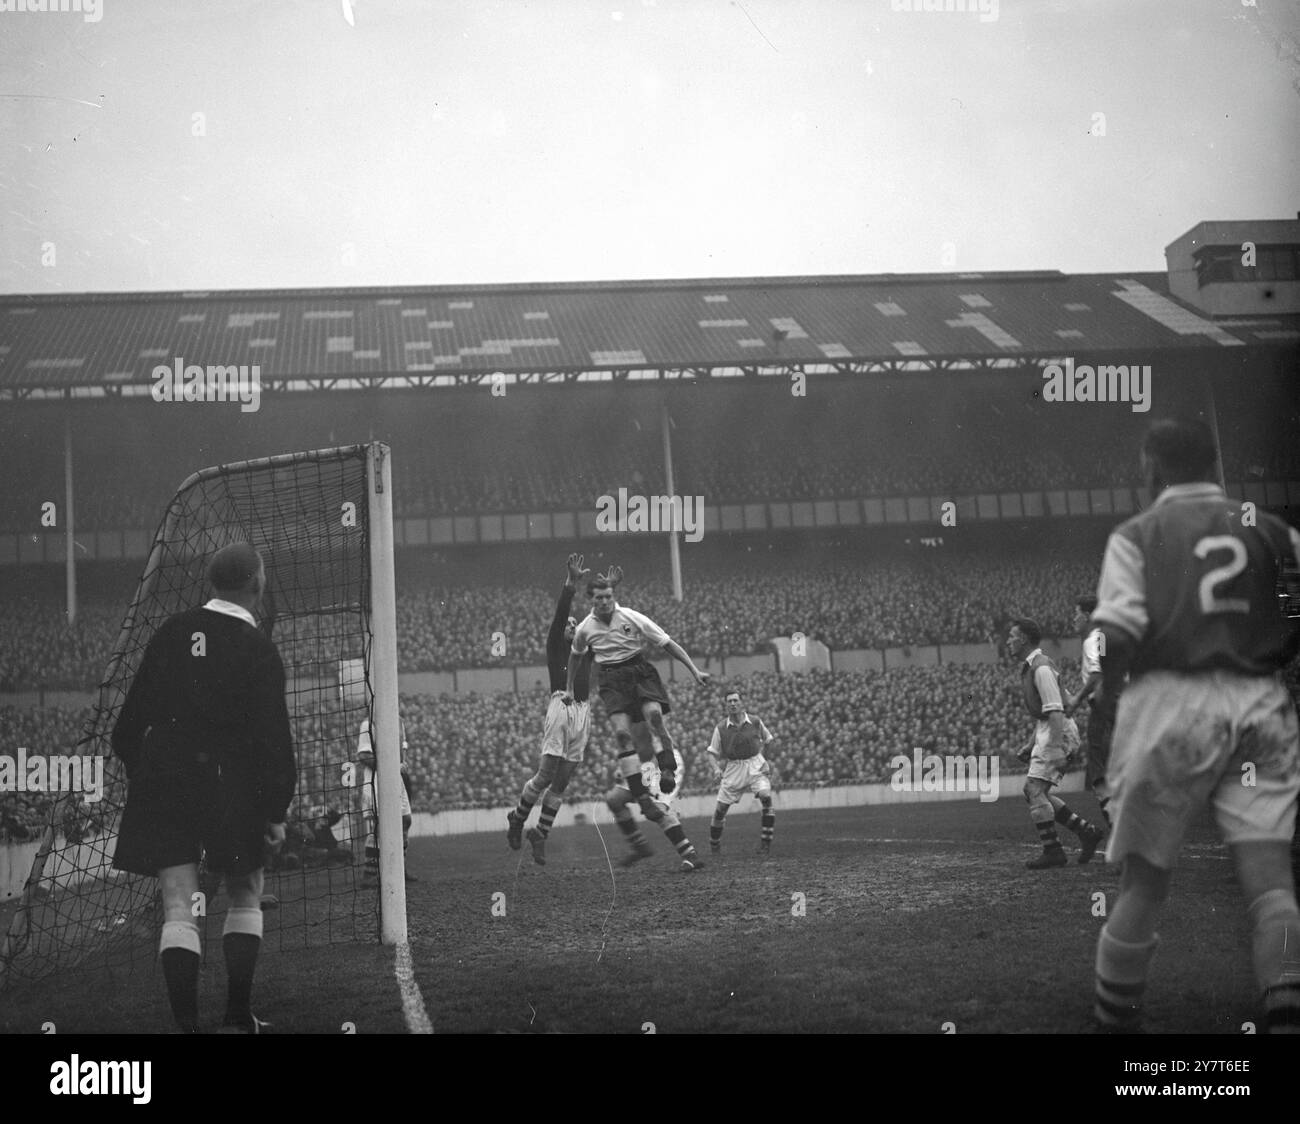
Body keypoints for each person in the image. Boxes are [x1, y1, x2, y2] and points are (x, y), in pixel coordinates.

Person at [1091, 418, 1300, 1034]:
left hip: (1169, 703)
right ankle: (1286, 1014)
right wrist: (1266, 658)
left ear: (1151, 466)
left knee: (1145, 885)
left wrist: (1107, 699)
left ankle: (1116, 1022)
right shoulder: (1274, 531)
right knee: (1271, 884)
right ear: (1213, 465)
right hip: (1259, 701)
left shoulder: (1138, 533)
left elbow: (1119, 632)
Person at [111, 542, 295, 1034]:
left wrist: (147, 778)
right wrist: (276, 811)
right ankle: (237, 1019)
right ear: (257, 584)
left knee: (179, 903)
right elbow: (275, 741)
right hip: (232, 785)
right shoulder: (259, 648)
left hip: (166, 781)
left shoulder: (172, 632)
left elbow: (126, 729)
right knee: (244, 894)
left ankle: (187, 1027)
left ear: (210, 583)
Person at [563, 573, 710, 871]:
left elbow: (667, 643)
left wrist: (694, 671)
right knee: (614, 799)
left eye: (608, 596)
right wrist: (568, 688)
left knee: (654, 720)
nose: (604, 602)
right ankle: (640, 847)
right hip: (635, 758)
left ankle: (690, 854)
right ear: (590, 601)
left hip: (657, 763)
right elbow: (576, 655)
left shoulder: (630, 617)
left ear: (614, 595)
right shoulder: (586, 628)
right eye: (598, 598)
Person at [506, 553, 596, 865]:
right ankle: (517, 818)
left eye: (576, 624)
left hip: (583, 712)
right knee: (545, 775)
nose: (572, 625)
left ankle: (540, 834)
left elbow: (599, 626)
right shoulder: (556, 645)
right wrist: (570, 584)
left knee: (562, 781)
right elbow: (561, 615)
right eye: (570, 625)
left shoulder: (586, 651)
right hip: (561, 704)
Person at [1008, 617, 1105, 869]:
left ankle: (1054, 851)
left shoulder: (1040, 668)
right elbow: (1045, 714)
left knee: (1034, 790)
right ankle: (1086, 832)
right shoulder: (1032, 667)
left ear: (1025, 639)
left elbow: (1055, 711)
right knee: (1035, 792)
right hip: (1050, 729)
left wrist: (1055, 748)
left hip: (1059, 731)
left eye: (1012, 636)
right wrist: (1031, 745)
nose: (1008, 641)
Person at [1064, 594, 1115, 829]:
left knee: (1099, 771)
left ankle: (1117, 828)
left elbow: (1097, 674)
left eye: (1076, 614)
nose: (1073, 619)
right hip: (1121, 705)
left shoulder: (1092, 640)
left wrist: (1075, 700)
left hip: (1104, 708)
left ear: (1086, 616)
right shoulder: (1106, 637)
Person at [705, 689, 777, 856]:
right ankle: (714, 844)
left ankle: (765, 844)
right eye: (729, 701)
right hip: (734, 768)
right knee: (721, 809)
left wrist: (766, 762)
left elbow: (769, 740)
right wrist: (716, 769)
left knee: (766, 796)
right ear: (725, 705)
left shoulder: (755, 721)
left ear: (742, 703)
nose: (732, 704)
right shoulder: (721, 727)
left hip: (755, 763)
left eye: (735, 700)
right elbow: (711, 753)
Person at [357, 712, 417, 883]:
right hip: (377, 779)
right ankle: (370, 875)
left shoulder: (398, 721)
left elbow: (403, 746)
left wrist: (403, 763)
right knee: (380, 825)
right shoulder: (368, 724)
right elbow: (363, 755)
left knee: (405, 820)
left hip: (397, 778)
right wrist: (392, 766)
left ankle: (399, 870)